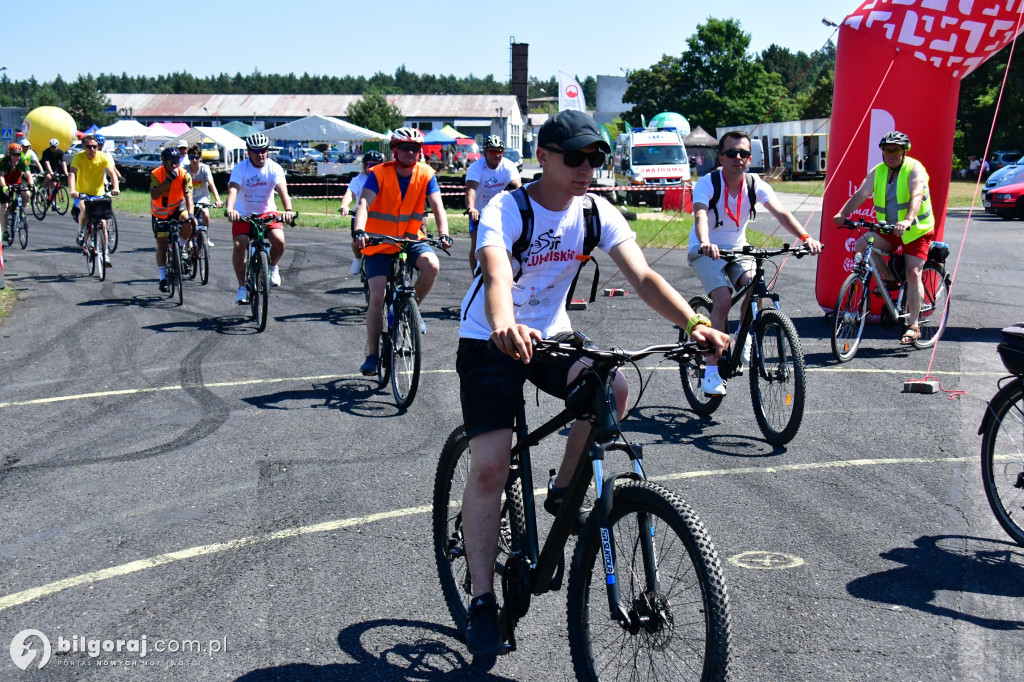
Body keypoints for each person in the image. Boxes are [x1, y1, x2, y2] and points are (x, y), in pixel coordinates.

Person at [455, 110, 729, 657]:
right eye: (575, 157)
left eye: (596, 158)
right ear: (545, 157)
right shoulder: (506, 207)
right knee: (490, 463)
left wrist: (695, 324)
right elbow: (496, 271)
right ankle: (483, 597)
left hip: (551, 336)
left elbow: (645, 277)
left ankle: (562, 492)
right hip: (491, 336)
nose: (588, 168)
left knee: (615, 389)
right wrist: (505, 323)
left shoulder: (595, 211)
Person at [689, 130, 822, 396]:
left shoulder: (754, 183)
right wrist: (705, 241)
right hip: (706, 249)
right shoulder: (708, 182)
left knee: (756, 287)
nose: (738, 158)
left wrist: (805, 237)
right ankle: (712, 370)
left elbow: (781, 212)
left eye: (744, 154)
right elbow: (701, 215)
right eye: (732, 153)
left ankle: (745, 336)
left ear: (750, 158)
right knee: (724, 299)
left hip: (738, 248)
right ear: (721, 157)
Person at [352, 127, 452, 375]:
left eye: (416, 148)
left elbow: (438, 206)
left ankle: (409, 310)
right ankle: (372, 355)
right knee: (377, 296)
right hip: (378, 241)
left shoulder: (427, 174)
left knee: (432, 265)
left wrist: (444, 232)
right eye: (406, 148)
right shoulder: (379, 173)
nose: (412, 152)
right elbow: (364, 203)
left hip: (409, 238)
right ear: (394, 150)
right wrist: (359, 230)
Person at [833, 130, 934, 345]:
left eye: (896, 150)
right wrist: (843, 213)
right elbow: (861, 194)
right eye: (887, 150)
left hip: (916, 230)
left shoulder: (915, 169)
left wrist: (907, 220)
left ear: (904, 151)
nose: (891, 154)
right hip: (889, 229)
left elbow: (916, 194)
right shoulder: (878, 171)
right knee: (861, 245)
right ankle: (889, 277)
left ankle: (914, 325)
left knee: (913, 272)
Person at [225, 132, 295, 304]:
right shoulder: (241, 168)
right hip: (244, 214)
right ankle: (242, 287)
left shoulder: (274, 168)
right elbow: (232, 190)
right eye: (256, 151)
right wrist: (230, 209)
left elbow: (282, 192)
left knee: (279, 240)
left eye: (263, 150)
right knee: (239, 244)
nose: (260, 154)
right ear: (248, 152)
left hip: (267, 213)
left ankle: (272, 266)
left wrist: (288, 210)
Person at [465, 135, 522, 272]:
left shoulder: (508, 165)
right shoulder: (476, 167)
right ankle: (475, 276)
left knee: (511, 243)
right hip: (480, 210)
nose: (497, 155)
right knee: (477, 246)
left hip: (502, 210)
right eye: (492, 151)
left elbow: (518, 187)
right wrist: (471, 208)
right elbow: (471, 189)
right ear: (485, 153)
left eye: (499, 151)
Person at [150, 148, 196, 292]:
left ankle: (181, 246)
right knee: (162, 245)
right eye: (171, 162)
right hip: (160, 213)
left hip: (177, 207)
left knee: (187, 221)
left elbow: (189, 196)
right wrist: (168, 180)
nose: (174, 165)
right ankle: (163, 277)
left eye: (177, 162)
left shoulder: (185, 174)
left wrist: (191, 214)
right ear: (164, 162)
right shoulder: (156, 174)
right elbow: (154, 195)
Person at [68, 134, 119, 260]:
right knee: (84, 210)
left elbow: (112, 173)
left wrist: (115, 187)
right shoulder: (78, 157)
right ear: (83, 147)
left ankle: (105, 252)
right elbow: (72, 174)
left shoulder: (103, 157)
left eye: (94, 147)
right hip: (81, 192)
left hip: (98, 193)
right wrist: (73, 190)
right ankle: (81, 231)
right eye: (88, 147)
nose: (92, 149)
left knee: (103, 223)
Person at [338, 149, 384, 275]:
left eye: (376, 165)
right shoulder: (358, 179)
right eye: (370, 165)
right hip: (360, 216)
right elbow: (350, 193)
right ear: (364, 165)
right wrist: (344, 205)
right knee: (356, 241)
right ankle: (358, 259)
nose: (373, 168)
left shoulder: (386, 178)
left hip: (379, 217)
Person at [186, 143, 222, 247]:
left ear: (200, 158)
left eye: (196, 157)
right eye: (192, 157)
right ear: (189, 158)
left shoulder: (205, 169)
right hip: (189, 199)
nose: (194, 160)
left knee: (205, 214)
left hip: (202, 198)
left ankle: (205, 236)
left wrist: (218, 199)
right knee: (188, 219)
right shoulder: (185, 170)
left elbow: (211, 184)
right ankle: (188, 241)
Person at [0, 143, 34, 237]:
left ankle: (20, 210)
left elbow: (28, 174)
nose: (17, 157)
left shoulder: (22, 161)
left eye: (18, 154)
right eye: (14, 154)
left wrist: (31, 184)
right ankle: (5, 231)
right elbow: (1, 176)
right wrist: (4, 187)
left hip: (17, 182)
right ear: (10, 154)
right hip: (5, 184)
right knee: (5, 207)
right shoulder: (4, 162)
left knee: (27, 194)